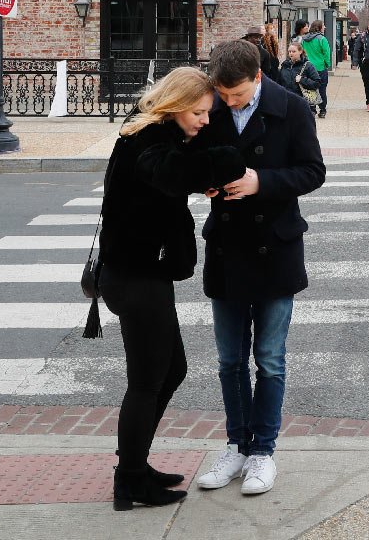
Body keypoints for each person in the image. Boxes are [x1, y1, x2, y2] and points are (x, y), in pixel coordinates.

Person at [98, 67, 245, 511]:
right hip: (134, 275)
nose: (204, 119)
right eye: (199, 112)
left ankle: (135, 466)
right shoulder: (149, 143)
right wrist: (228, 163)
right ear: (178, 105)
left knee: (170, 370)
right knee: (147, 380)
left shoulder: (155, 130)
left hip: (142, 272)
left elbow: (183, 165)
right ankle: (130, 480)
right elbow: (173, 171)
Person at [193, 41, 325, 497]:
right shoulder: (210, 106)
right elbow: (195, 163)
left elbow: (313, 172)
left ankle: (263, 451)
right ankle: (236, 446)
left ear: (257, 77)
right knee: (230, 361)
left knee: (269, 360)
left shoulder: (290, 107)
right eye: (223, 95)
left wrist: (261, 182)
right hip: (228, 248)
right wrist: (206, 183)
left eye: (237, 95)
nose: (229, 103)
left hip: (276, 246)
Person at [278, 41, 321, 111]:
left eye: (294, 51)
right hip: (287, 102)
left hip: (303, 103)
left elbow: (317, 83)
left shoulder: (308, 66)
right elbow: (279, 83)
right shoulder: (285, 65)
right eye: (289, 51)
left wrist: (302, 80)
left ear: (300, 51)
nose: (291, 54)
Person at [301, 20, 332, 118]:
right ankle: (322, 110)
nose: (325, 27)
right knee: (322, 89)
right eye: (323, 25)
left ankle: (312, 110)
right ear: (319, 27)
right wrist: (327, 64)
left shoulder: (304, 39)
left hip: (308, 67)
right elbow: (326, 53)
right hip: (320, 67)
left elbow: (302, 52)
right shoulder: (322, 39)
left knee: (310, 89)